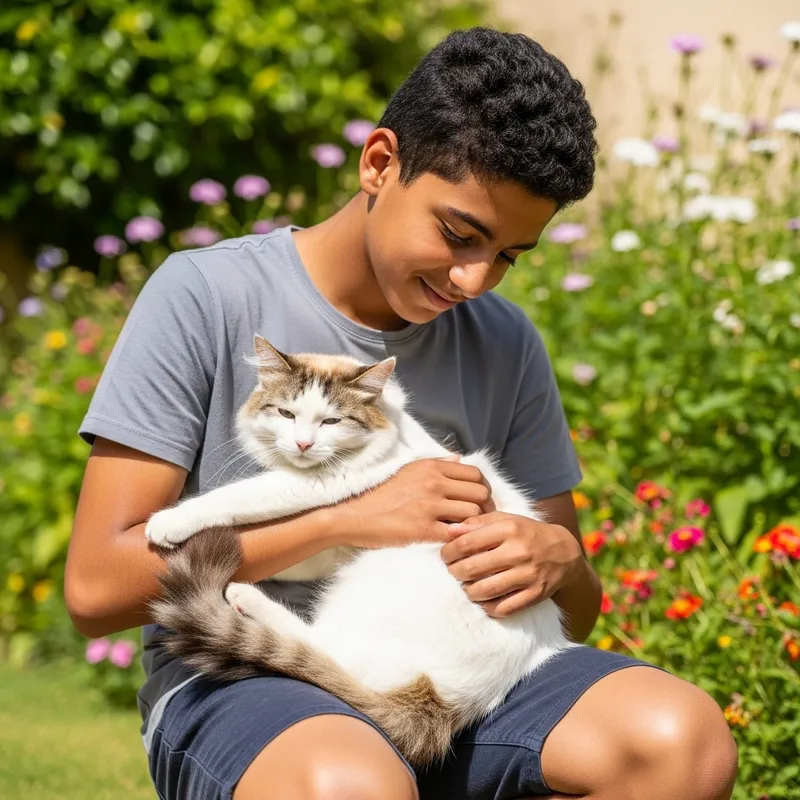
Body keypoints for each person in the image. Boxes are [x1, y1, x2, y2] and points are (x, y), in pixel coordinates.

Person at [65, 25, 738, 800]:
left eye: (511, 256)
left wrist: (561, 560)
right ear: (380, 163)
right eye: (460, 233)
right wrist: (343, 520)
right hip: (241, 668)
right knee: (351, 783)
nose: (477, 279)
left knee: (681, 743)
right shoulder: (206, 296)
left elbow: (574, 610)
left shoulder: (505, 340)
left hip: (456, 683)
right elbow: (94, 590)